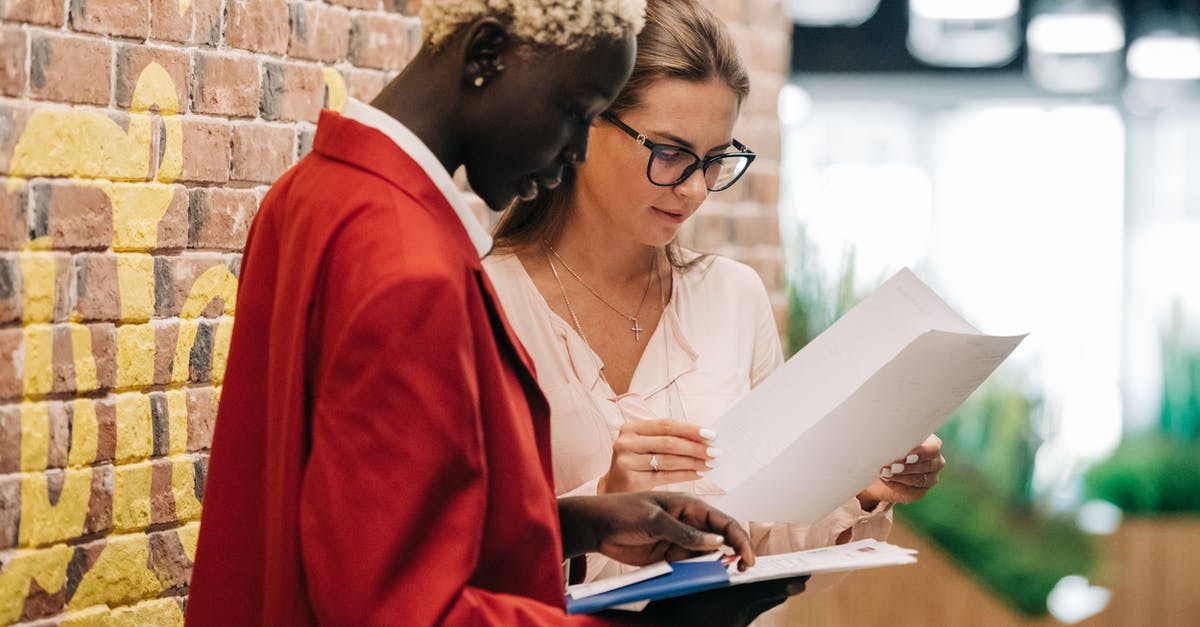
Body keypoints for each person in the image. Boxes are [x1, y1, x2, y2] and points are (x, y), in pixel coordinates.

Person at [185, 0, 806, 625]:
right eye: (573, 114)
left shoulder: (311, 192)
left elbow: (352, 520)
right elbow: (400, 607)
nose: (574, 150)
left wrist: (573, 524)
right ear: (485, 56)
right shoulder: (412, 262)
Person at [484, 0, 947, 584]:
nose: (697, 189)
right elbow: (454, 554)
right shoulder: (485, 303)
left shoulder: (732, 298)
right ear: (583, 123)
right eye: (671, 153)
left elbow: (769, 536)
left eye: (716, 159)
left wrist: (861, 484)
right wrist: (600, 507)